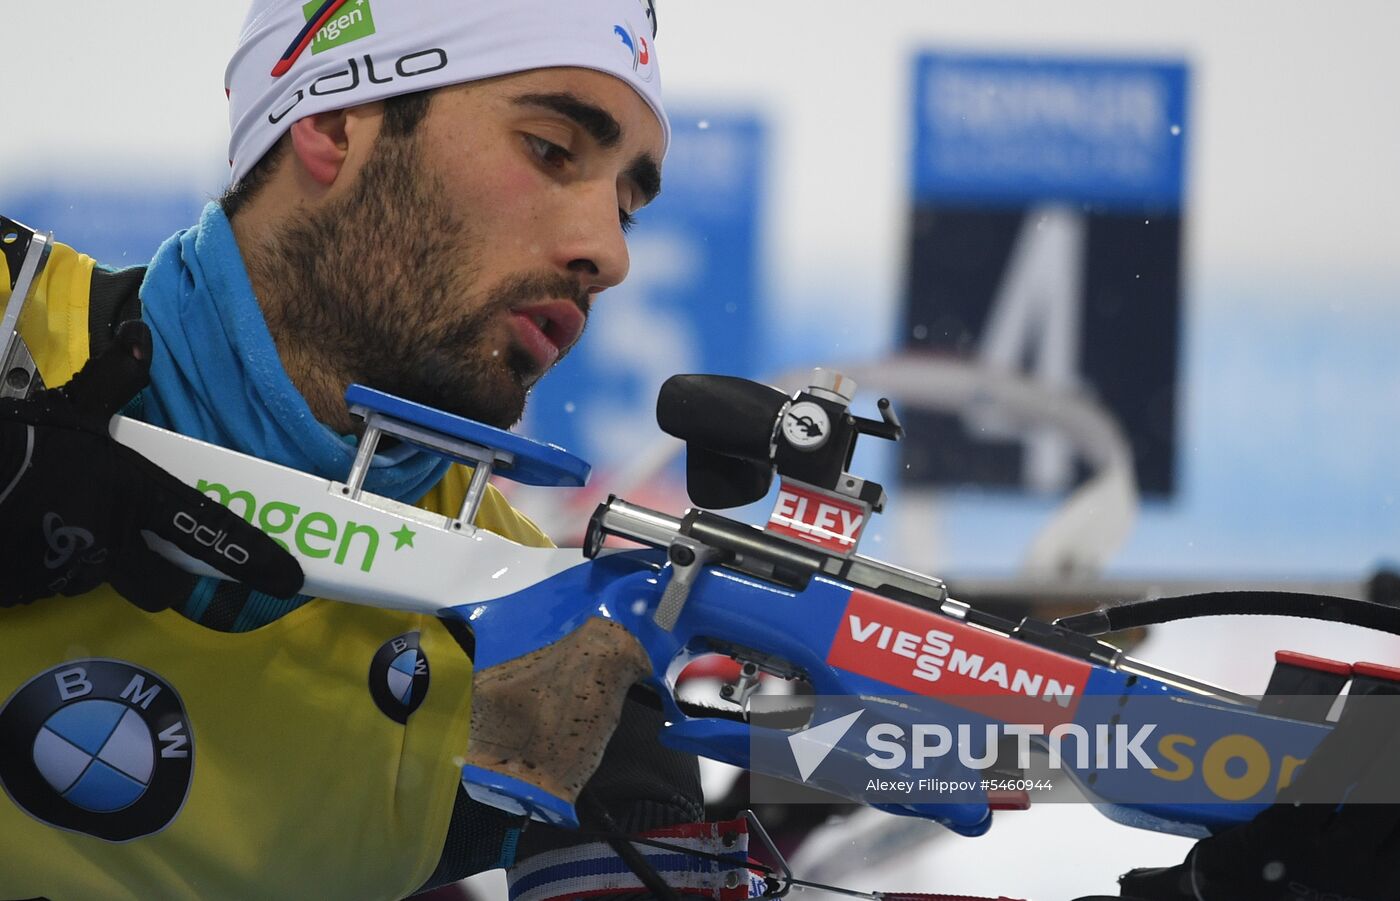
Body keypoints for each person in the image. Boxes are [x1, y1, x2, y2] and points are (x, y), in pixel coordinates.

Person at [0, 1, 715, 898]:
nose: (608, 254)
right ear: (333, 125)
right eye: (550, 149)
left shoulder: (535, 631)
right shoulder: (12, 325)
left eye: (627, 207)